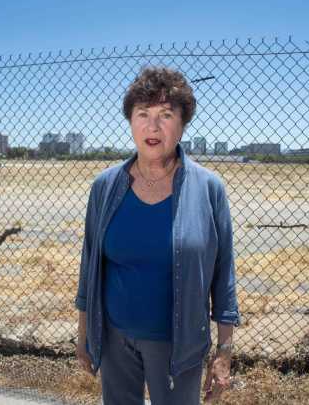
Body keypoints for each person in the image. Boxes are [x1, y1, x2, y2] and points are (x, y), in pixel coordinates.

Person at [74, 66, 240, 405]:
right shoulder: (105, 187)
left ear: (182, 124)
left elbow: (224, 278)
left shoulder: (209, 189)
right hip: (115, 340)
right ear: (130, 122)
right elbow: (90, 265)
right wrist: (83, 336)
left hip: (181, 346)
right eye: (143, 114)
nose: (153, 126)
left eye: (166, 115)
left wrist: (224, 350)